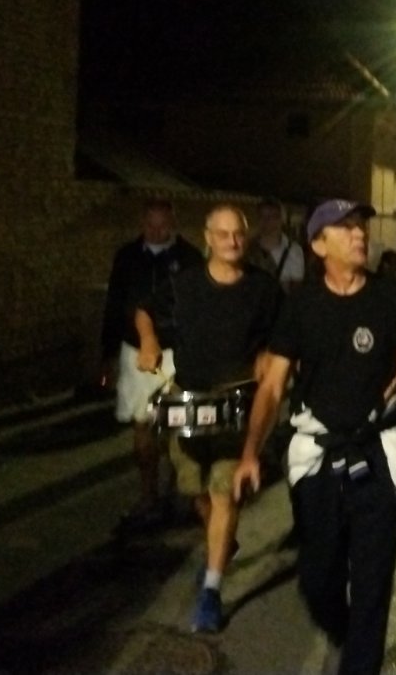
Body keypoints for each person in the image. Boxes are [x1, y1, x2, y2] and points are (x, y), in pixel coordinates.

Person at [233, 199, 396, 675]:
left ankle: (360, 661)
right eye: (345, 227)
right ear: (318, 244)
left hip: (379, 454)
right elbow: (272, 386)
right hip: (320, 458)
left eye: (360, 226)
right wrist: (250, 452)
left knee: (373, 586)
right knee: (317, 578)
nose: (359, 234)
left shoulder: (393, 296)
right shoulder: (301, 305)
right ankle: (344, 629)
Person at [133, 204, 282, 632]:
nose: (232, 241)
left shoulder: (264, 289)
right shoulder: (185, 283)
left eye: (238, 234)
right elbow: (144, 309)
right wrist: (147, 341)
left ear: (246, 237)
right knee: (195, 491)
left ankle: (212, 590)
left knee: (224, 493)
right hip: (187, 400)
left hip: (237, 402)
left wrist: (267, 360)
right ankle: (223, 539)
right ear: (208, 237)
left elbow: (280, 338)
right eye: (223, 234)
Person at [101, 198, 205, 527]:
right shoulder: (127, 257)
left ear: (173, 223)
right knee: (142, 424)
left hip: (176, 352)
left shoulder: (189, 258)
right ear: (142, 223)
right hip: (136, 353)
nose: (157, 231)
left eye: (164, 225)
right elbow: (115, 303)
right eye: (151, 224)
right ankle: (148, 495)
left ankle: (178, 492)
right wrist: (107, 354)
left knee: (177, 425)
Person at [247, 198, 305, 293]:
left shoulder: (293, 250)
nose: (267, 221)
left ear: (280, 220)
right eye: (262, 216)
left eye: (273, 216)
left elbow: (296, 287)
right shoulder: (247, 248)